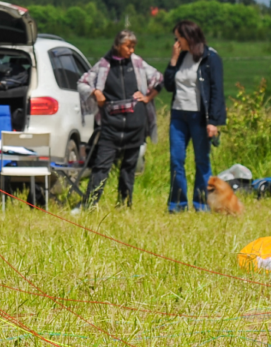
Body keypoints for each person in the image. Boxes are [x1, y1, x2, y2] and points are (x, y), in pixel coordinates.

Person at [74, 29, 161, 209]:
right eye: (128, 47)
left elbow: (159, 79)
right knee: (102, 165)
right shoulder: (104, 65)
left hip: (135, 123)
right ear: (117, 45)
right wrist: (95, 92)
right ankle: (90, 203)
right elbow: (82, 82)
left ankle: (124, 204)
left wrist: (147, 97)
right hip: (111, 125)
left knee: (129, 167)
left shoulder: (137, 63)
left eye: (133, 47)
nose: (131, 51)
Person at [163, 18, 227, 213]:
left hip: (200, 118)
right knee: (176, 160)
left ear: (188, 37)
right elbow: (168, 85)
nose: (176, 43)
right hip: (178, 116)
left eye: (178, 38)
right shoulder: (180, 58)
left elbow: (216, 91)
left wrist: (213, 122)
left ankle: (201, 204)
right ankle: (177, 205)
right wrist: (172, 61)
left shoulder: (210, 58)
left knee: (201, 161)